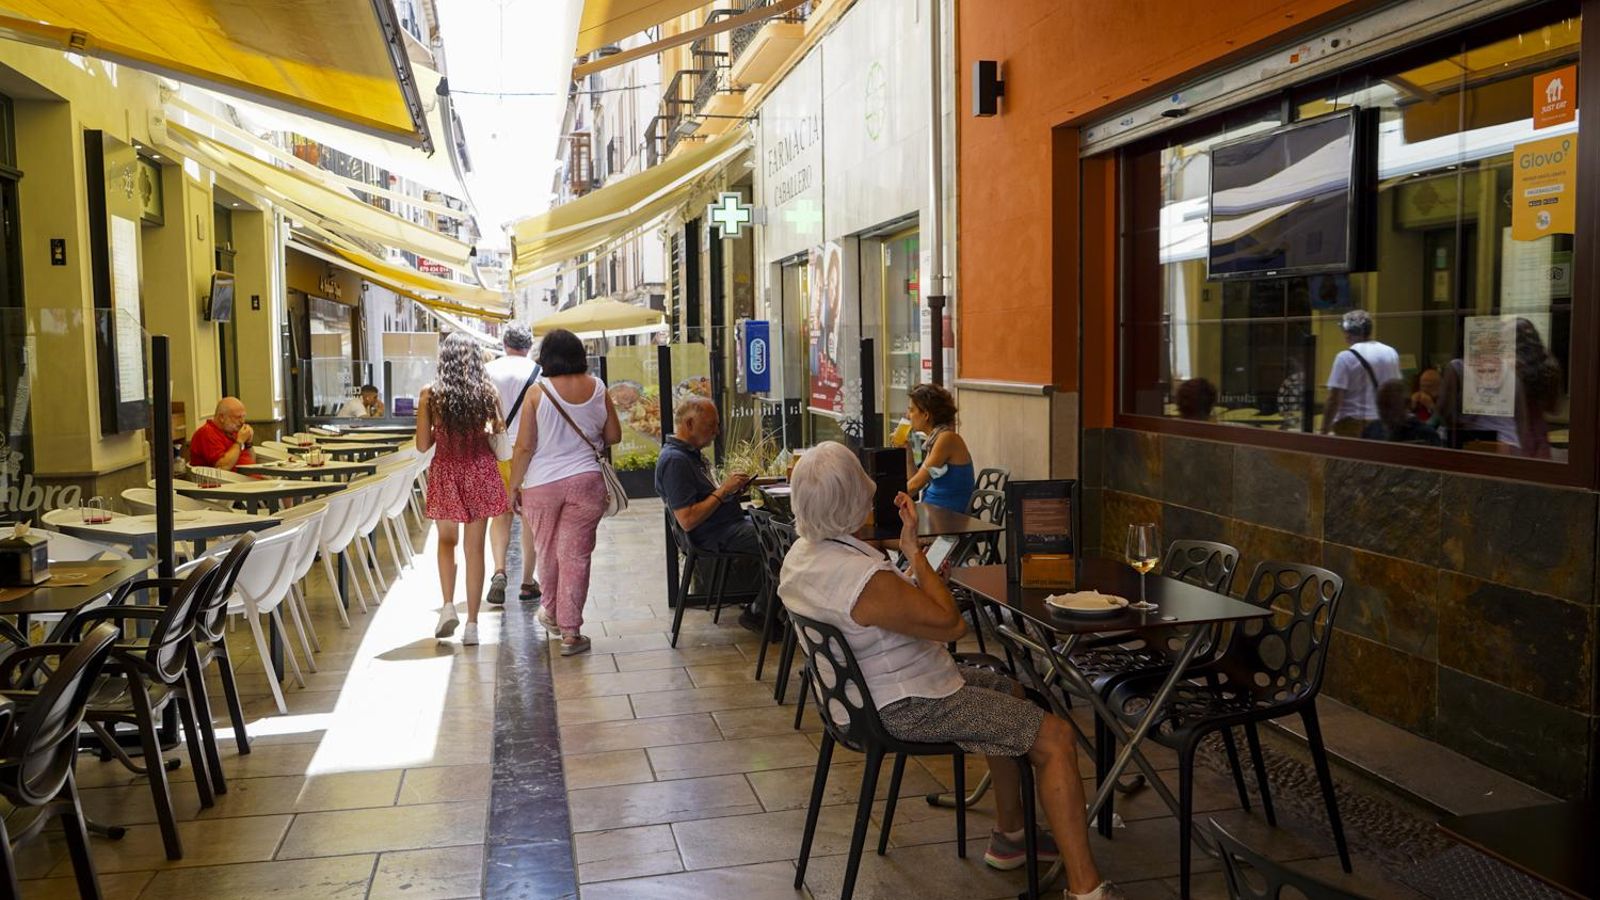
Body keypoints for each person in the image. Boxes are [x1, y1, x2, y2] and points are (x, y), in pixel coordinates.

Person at [778, 443, 1123, 900]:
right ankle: (1087, 889)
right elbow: (951, 625)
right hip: (911, 704)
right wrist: (915, 555)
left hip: (859, 702)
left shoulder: (803, 557)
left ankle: (1011, 836)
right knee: (1056, 737)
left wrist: (896, 560)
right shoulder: (864, 580)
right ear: (854, 499)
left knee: (1013, 694)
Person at [507, 328, 621, 656]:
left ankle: (551, 612)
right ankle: (571, 632)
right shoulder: (598, 388)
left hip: (541, 485)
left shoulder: (536, 393)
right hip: (586, 481)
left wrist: (515, 485)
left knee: (547, 550)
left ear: (546, 357)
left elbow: (525, 446)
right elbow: (613, 435)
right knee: (575, 555)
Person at [415, 332, 509, 647]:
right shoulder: (487, 392)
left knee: (445, 542)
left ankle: (446, 607)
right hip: (480, 470)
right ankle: (472, 625)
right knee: (475, 549)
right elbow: (500, 432)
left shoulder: (431, 394)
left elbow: (422, 445)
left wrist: (438, 427)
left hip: (447, 469)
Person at [655, 396, 770, 636]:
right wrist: (723, 491)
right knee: (781, 543)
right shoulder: (675, 461)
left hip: (726, 524)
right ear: (688, 424)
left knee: (776, 525)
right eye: (711, 425)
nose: (716, 431)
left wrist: (730, 493)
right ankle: (760, 611)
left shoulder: (690, 455)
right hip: (713, 534)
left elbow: (704, 500)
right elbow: (687, 519)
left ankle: (768, 609)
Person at [485, 325, 541, 606]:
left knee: (500, 514)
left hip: (497, 451)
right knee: (529, 517)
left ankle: (499, 570)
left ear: (504, 343)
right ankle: (528, 582)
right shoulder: (538, 372)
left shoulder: (488, 370)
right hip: (531, 453)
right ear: (529, 345)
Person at [1321, 309, 1401, 437]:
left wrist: (1324, 429)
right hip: (1382, 422)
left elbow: (1334, 399)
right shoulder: (1391, 353)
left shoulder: (1345, 357)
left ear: (1347, 333)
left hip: (1351, 423)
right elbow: (1395, 389)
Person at [903, 384, 974, 514]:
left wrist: (882, 500)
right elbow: (916, 481)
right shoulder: (936, 439)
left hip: (947, 519)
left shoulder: (946, 439)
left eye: (912, 410)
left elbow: (915, 485)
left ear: (925, 414)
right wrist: (907, 452)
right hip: (934, 513)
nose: (908, 415)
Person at [1514, 317, 1562, 459]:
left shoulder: (1508, 365)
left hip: (1512, 436)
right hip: (1538, 434)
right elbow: (1553, 409)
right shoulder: (1548, 363)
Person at [1361, 379, 1441, 446]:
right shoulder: (1371, 430)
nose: (1384, 412)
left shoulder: (1425, 435)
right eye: (1380, 406)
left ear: (1407, 404)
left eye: (1390, 406)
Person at [188, 397, 256, 471]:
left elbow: (251, 461)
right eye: (238, 417)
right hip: (233, 481)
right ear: (222, 417)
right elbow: (223, 467)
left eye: (243, 417)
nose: (242, 421)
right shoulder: (206, 433)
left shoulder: (233, 431)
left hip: (251, 476)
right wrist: (239, 442)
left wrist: (248, 443)